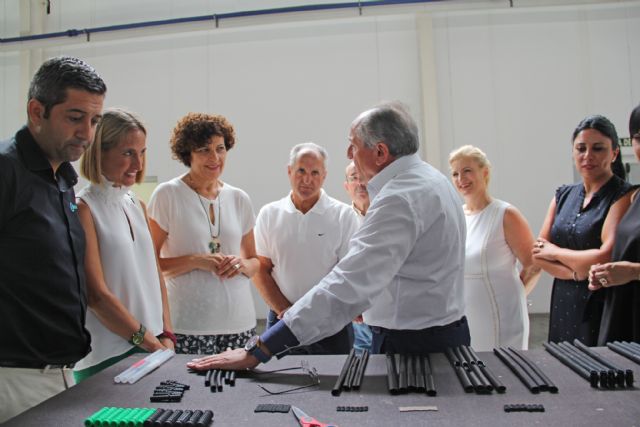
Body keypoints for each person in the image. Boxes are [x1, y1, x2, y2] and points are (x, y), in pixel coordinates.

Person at [186, 101, 469, 372]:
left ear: (380, 152)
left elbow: (348, 284)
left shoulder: (399, 199)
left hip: (413, 346)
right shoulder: (433, 180)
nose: (349, 153)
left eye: (354, 145)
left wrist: (261, 348)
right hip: (439, 335)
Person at [0, 56, 106, 422]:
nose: (87, 134)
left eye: (94, 121)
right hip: (13, 380)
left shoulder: (63, 179)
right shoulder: (5, 171)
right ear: (37, 111)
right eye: (75, 118)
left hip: (63, 374)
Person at [72, 108, 175, 383]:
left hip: (153, 348)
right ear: (99, 152)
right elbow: (96, 296)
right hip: (109, 355)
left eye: (142, 152)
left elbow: (156, 276)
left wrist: (167, 334)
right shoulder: (84, 208)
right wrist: (150, 342)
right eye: (128, 153)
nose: (138, 164)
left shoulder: (137, 204)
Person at [148, 113, 258, 355]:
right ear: (188, 153)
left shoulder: (239, 198)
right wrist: (196, 261)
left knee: (240, 393)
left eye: (220, 149)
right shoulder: (167, 195)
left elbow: (255, 262)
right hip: (188, 326)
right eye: (204, 150)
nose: (215, 157)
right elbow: (149, 265)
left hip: (240, 325)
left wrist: (240, 265)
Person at [533, 115, 632, 345]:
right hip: (563, 299)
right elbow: (538, 253)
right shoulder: (562, 194)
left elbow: (604, 256)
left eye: (598, 148)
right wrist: (576, 273)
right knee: (563, 373)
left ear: (614, 153)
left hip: (600, 301)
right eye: (581, 148)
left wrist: (555, 253)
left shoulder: (623, 195)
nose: (588, 156)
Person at [252, 142, 359, 354]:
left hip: (330, 324)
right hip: (281, 318)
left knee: (334, 383)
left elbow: (346, 274)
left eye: (315, 172)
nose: (307, 179)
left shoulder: (343, 215)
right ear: (289, 171)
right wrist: (285, 310)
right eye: (301, 170)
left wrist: (313, 314)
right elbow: (260, 268)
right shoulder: (269, 214)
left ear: (324, 176)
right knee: (277, 382)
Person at [449, 145, 540, 351]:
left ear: (485, 172)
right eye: (455, 173)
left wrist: (516, 295)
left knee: (503, 375)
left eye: (467, 171)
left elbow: (533, 264)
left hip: (501, 315)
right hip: (466, 317)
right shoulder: (458, 215)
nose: (461, 178)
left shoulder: (505, 214)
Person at [589, 104, 640, 344]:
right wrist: (606, 274)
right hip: (626, 316)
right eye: (639, 139)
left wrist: (631, 272)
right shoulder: (636, 196)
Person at [343, 161, 373, 352]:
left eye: (365, 177)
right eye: (354, 178)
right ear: (347, 186)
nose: (360, 183)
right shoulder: (339, 219)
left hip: (385, 310)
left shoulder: (387, 215)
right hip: (354, 315)